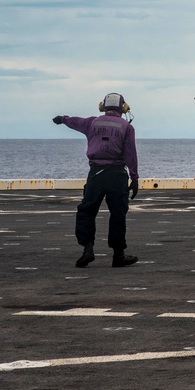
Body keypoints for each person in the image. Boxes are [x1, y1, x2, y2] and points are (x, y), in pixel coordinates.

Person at [53, 93, 139, 268]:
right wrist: (135, 178)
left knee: (87, 211)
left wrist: (62, 119)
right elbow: (131, 154)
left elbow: (75, 121)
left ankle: (88, 249)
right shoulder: (126, 127)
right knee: (118, 214)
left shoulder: (92, 122)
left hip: (96, 174)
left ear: (103, 107)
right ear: (124, 108)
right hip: (117, 175)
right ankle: (118, 255)